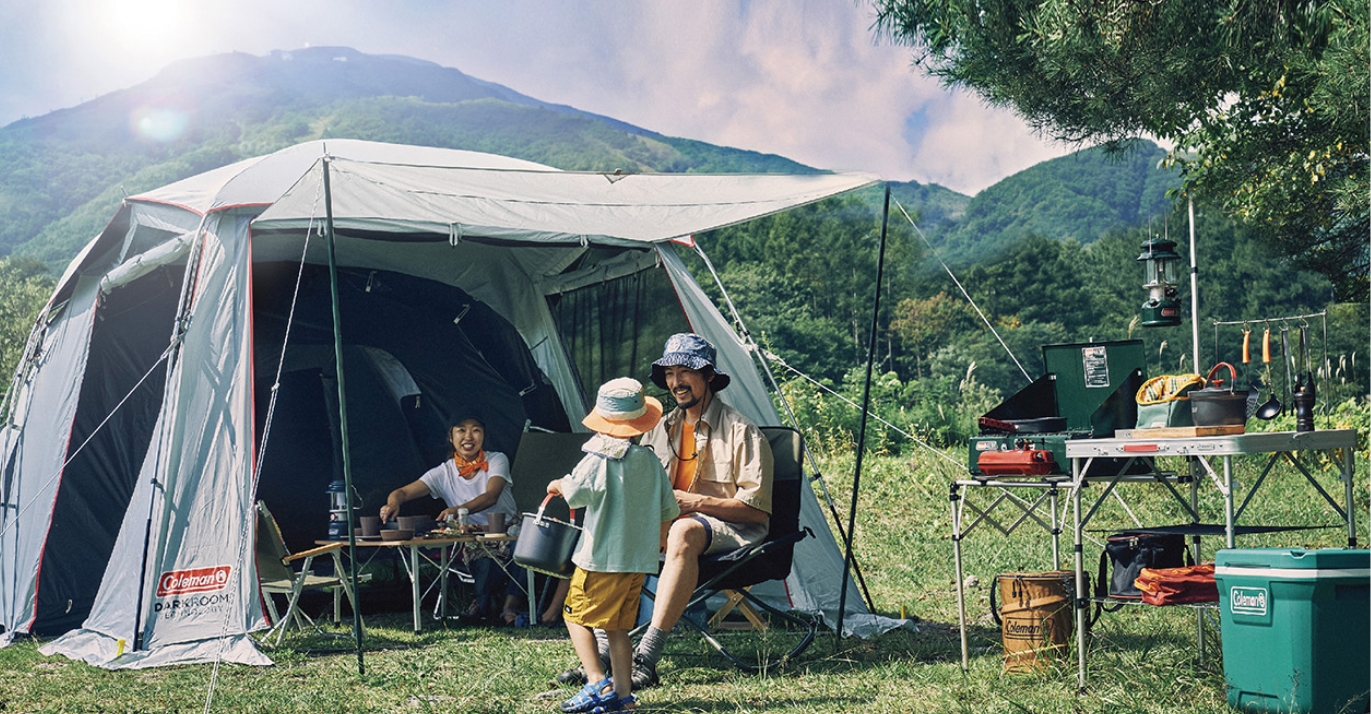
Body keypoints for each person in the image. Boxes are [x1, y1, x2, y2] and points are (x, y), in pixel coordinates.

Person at [547, 378, 678, 714]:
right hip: (638, 561)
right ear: (639, 422)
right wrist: (657, 542)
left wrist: (559, 483)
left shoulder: (597, 459)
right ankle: (624, 697)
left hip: (600, 559)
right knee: (618, 629)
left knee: (574, 616)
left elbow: (576, 492)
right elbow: (668, 510)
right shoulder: (649, 462)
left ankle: (596, 681)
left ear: (603, 422)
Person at [379, 413, 519, 621]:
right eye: (461, 430)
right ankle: (483, 604)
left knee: (526, 551)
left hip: (508, 530)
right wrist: (392, 503)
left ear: (484, 435)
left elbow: (491, 496)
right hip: (473, 538)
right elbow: (403, 492)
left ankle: (509, 607)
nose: (468, 436)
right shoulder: (443, 472)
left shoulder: (497, 459)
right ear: (450, 437)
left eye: (476, 430)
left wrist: (457, 510)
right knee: (485, 564)